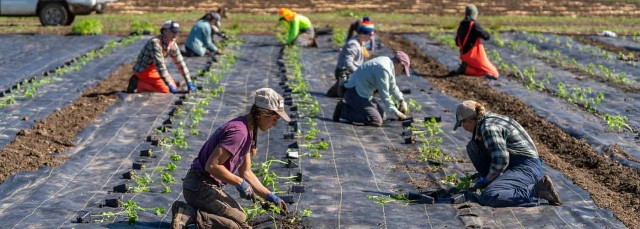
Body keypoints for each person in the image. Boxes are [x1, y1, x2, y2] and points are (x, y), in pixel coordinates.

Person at [171, 88, 291, 229]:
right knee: (237, 226)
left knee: (241, 217)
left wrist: (270, 197)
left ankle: (196, 215)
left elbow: (246, 172)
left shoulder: (249, 130)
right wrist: (240, 183)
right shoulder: (239, 132)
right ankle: (188, 214)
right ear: (262, 114)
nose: (275, 124)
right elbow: (212, 166)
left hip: (207, 186)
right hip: (198, 186)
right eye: (275, 119)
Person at [454, 100, 562, 207]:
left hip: (526, 167)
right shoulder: (491, 119)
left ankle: (538, 190)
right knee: (473, 147)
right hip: (519, 164)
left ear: (468, 121)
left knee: (488, 195)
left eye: (461, 124)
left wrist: (487, 179)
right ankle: (497, 181)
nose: (463, 128)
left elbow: (501, 159)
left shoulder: (488, 128)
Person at [332, 51, 411, 127]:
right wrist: (396, 112)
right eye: (403, 70)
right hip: (354, 92)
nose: (402, 72)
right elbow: (384, 93)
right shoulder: (384, 69)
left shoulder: (387, 62)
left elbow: (393, 86)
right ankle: (342, 110)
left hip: (364, 93)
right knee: (376, 121)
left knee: (383, 117)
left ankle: (354, 107)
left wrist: (401, 100)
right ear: (400, 64)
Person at [126, 20, 196, 93]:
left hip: (155, 70)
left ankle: (148, 84)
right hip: (144, 71)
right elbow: (160, 66)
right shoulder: (155, 44)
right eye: (173, 32)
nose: (175, 35)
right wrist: (169, 85)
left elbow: (180, 63)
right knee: (166, 91)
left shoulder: (172, 44)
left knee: (172, 86)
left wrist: (189, 81)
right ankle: (138, 83)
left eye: (177, 32)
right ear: (164, 31)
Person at [448, 5, 499, 86]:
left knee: (479, 69)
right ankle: (466, 70)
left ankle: (465, 69)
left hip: (463, 55)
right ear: (474, 14)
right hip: (473, 55)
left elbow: (457, 43)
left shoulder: (462, 25)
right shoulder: (474, 25)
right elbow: (486, 37)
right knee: (493, 73)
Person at [326, 17, 375, 98]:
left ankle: (340, 87)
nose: (371, 38)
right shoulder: (353, 45)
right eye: (370, 35)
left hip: (351, 71)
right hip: (344, 72)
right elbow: (348, 63)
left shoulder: (360, 42)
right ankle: (341, 87)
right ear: (363, 34)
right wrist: (361, 73)